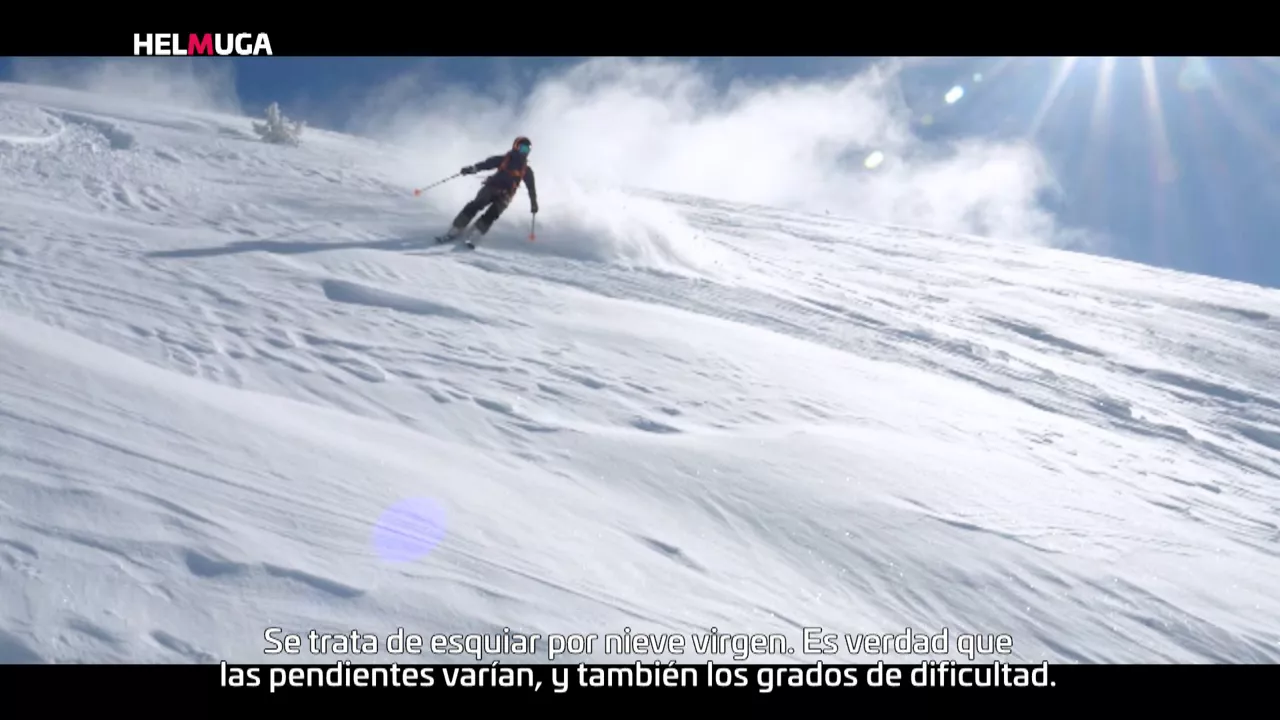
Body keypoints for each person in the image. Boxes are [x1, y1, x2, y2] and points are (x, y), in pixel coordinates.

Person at [438, 136, 538, 244]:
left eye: (527, 150)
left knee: (492, 214)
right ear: (516, 146)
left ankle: (476, 232)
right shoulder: (504, 159)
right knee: (476, 204)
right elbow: (486, 164)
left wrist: (533, 203)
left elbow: (531, 188)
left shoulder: (526, 171)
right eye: (522, 148)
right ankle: (456, 228)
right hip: (492, 187)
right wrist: (472, 169)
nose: (524, 152)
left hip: (506, 195)